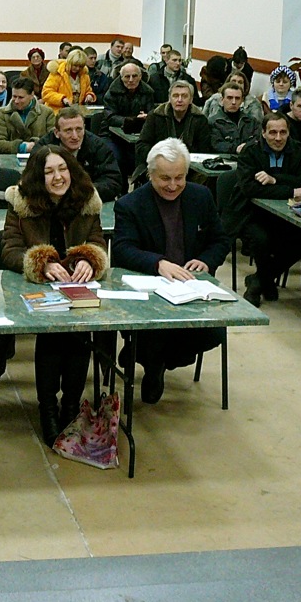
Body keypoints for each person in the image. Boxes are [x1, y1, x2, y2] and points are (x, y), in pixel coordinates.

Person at [1, 145, 110, 446]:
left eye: (62, 169)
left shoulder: (87, 200)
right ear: (39, 176)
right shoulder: (21, 203)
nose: (58, 177)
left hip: (78, 286)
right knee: (51, 337)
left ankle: (72, 406)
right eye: (49, 171)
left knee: (79, 336)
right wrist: (42, 262)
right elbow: (9, 250)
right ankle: (47, 408)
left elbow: (98, 240)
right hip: (37, 289)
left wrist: (90, 258)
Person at [113, 138, 228, 403]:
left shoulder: (201, 196)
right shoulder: (130, 204)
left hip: (191, 288)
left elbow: (220, 240)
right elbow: (122, 249)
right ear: (150, 174)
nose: (173, 185)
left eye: (180, 177)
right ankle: (153, 367)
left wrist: (206, 261)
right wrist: (158, 263)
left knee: (215, 333)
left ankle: (153, 358)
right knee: (157, 332)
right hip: (148, 290)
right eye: (165, 178)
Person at [224, 113, 301, 306]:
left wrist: (276, 179)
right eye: (273, 132)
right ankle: (264, 282)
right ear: (263, 133)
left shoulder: (298, 150)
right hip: (249, 213)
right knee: (261, 240)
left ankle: (259, 281)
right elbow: (250, 189)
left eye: (283, 132)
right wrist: (291, 189)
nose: (278, 138)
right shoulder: (250, 152)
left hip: (287, 214)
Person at [38, 107, 123, 201]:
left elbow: (113, 182)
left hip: (87, 201)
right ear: (57, 133)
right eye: (68, 131)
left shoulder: (98, 147)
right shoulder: (42, 149)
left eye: (79, 129)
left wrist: (80, 192)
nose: (75, 136)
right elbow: (32, 181)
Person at [135, 80, 212, 180]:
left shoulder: (200, 119)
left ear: (191, 100)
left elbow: (203, 150)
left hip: (189, 168)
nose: (179, 100)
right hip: (159, 165)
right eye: (175, 96)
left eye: (184, 96)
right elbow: (141, 145)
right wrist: (160, 158)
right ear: (169, 98)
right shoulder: (155, 115)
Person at [0, 76, 56, 154]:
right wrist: (22, 147)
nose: (16, 101)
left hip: (40, 158)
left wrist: (35, 145)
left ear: (32, 95)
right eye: (14, 96)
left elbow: (54, 141)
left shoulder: (47, 113)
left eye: (21, 97)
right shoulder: (3, 113)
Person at [207, 81, 261, 154]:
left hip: (248, 160)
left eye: (237, 98)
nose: (233, 102)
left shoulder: (252, 121)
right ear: (222, 100)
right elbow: (215, 145)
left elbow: (258, 140)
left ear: (242, 101)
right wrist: (236, 148)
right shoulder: (213, 122)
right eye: (229, 98)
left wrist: (246, 147)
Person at [102, 61, 154, 134]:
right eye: (127, 76)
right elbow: (110, 118)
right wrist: (132, 120)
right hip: (112, 132)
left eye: (134, 76)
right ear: (121, 77)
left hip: (141, 131)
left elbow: (151, 113)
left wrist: (147, 116)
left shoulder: (148, 92)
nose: (131, 80)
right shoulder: (112, 93)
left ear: (140, 77)